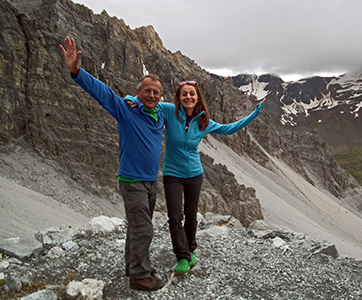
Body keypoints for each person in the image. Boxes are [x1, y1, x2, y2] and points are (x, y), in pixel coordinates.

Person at [125, 80, 266, 275]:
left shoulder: (204, 121)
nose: (188, 97)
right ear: (179, 98)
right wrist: (130, 99)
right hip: (172, 174)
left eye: (192, 94)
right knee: (175, 217)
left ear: (197, 97)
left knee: (191, 217)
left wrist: (255, 113)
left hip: (195, 174)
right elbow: (148, 100)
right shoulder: (169, 111)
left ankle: (190, 251)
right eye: (184, 94)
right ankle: (182, 257)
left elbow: (230, 128)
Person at [60, 36, 165, 291]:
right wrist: (76, 70)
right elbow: (102, 92)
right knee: (144, 229)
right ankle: (140, 276)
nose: (151, 95)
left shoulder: (160, 115)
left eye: (156, 92)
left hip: (151, 182)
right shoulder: (125, 110)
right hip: (132, 181)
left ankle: (133, 264)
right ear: (138, 93)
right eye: (147, 91)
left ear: (160, 96)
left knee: (137, 226)